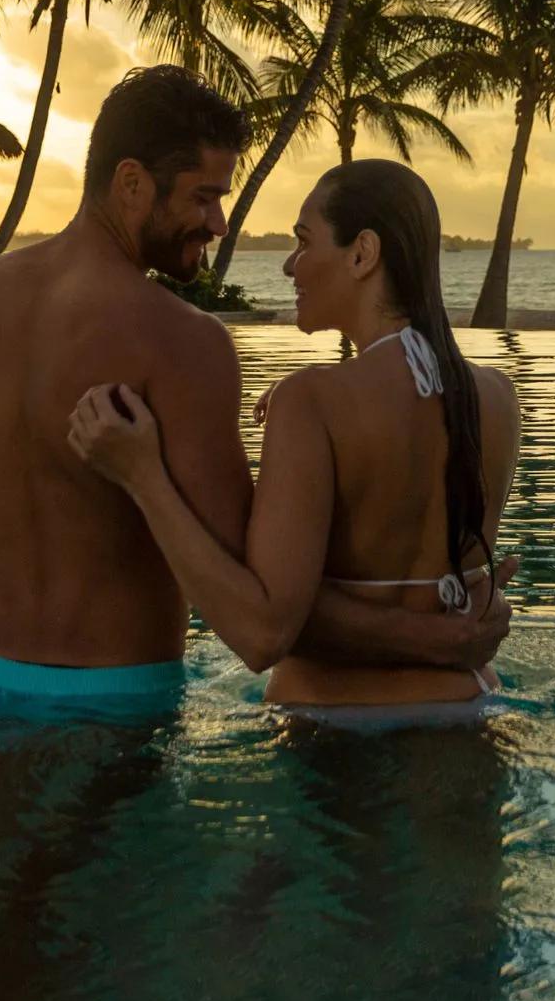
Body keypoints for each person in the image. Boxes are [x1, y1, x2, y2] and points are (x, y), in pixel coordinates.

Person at [0, 67, 514, 717]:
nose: (219, 222)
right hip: (119, 708)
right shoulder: (181, 343)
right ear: (131, 183)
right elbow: (260, 610)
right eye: (203, 197)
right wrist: (437, 637)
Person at [69, 158, 521, 711]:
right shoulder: (497, 398)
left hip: (334, 729)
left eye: (304, 243)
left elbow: (262, 633)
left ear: (362, 254)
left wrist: (142, 476)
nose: (289, 265)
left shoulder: (312, 403)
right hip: (470, 708)